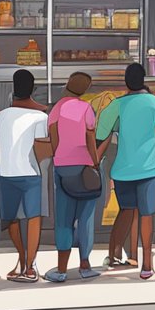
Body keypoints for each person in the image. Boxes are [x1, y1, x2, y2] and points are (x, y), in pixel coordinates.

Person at [97, 63, 155, 280]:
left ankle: (112, 254)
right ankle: (147, 263)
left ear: (126, 82)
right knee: (146, 215)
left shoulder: (117, 105)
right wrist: (154, 156)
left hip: (122, 170)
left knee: (125, 211)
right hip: (147, 169)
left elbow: (101, 133)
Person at [46, 72, 103, 282]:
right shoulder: (87, 108)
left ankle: (61, 269)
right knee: (86, 218)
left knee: (64, 219)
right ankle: (85, 265)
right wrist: (95, 161)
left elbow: (53, 137)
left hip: (63, 167)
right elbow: (90, 137)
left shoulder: (56, 109)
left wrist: (58, 155)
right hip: (86, 167)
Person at [0, 70, 50, 284]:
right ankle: (30, 265)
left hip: (6, 172)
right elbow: (41, 148)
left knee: (11, 219)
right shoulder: (41, 116)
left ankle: (21, 257)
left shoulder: (1, 115)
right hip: (31, 173)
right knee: (33, 218)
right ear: (33, 88)